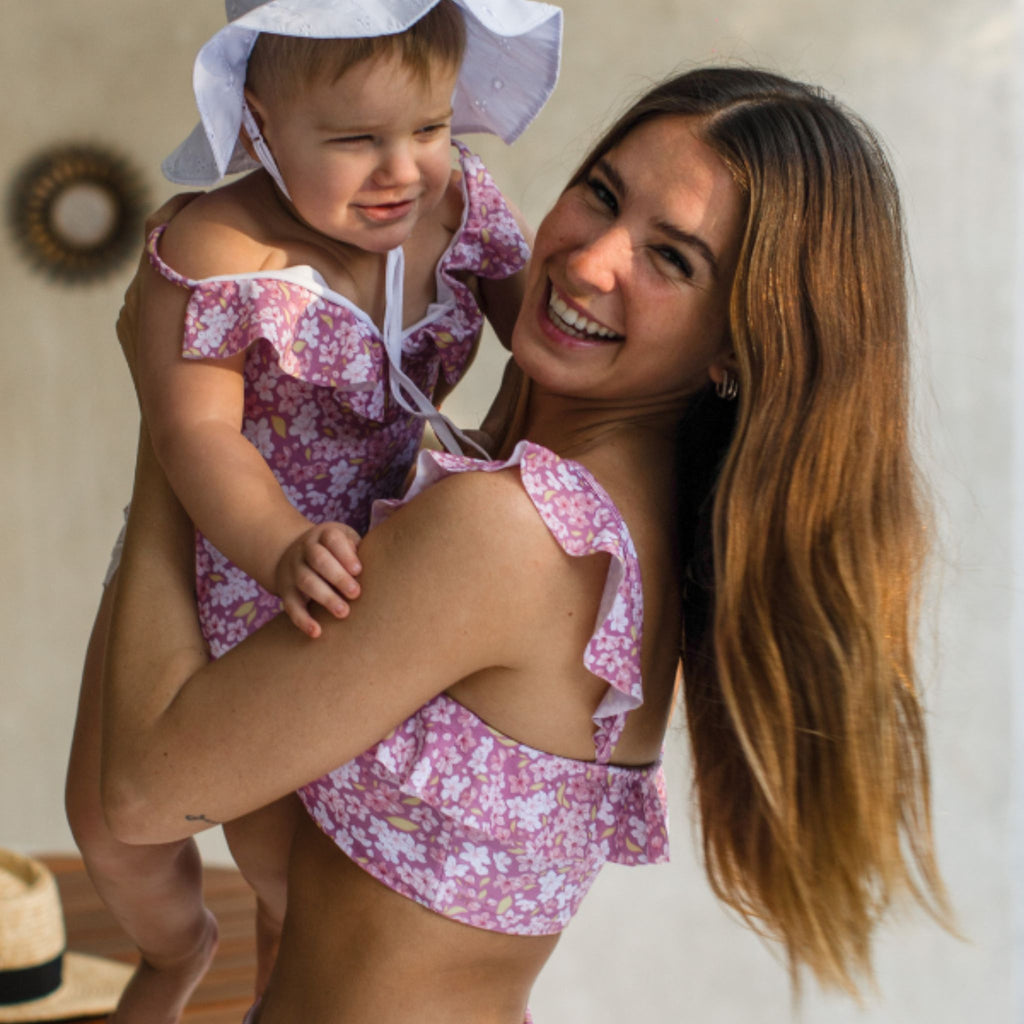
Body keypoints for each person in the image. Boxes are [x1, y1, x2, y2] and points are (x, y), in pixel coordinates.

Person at [100, 67, 949, 1023]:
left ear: (740, 347)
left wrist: (181, 405)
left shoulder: (516, 534)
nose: (590, 262)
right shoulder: (627, 532)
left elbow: (142, 794)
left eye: (673, 259)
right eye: (601, 194)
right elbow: (330, 878)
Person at [65, 1, 561, 1020]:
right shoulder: (217, 246)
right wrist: (278, 542)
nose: (402, 171)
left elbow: (546, 345)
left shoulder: (457, 206)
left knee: (286, 852)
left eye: (428, 126)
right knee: (113, 828)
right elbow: (196, 437)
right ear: (258, 122)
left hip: (375, 559)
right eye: (353, 140)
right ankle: (173, 951)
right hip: (241, 547)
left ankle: (285, 991)